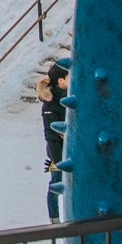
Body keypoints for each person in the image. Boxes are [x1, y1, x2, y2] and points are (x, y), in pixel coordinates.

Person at [38, 63, 69, 221]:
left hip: (71, 149)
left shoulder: (70, 96)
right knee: (56, 184)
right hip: (59, 152)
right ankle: (54, 219)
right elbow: (51, 134)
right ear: (61, 80)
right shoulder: (50, 104)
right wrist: (57, 160)